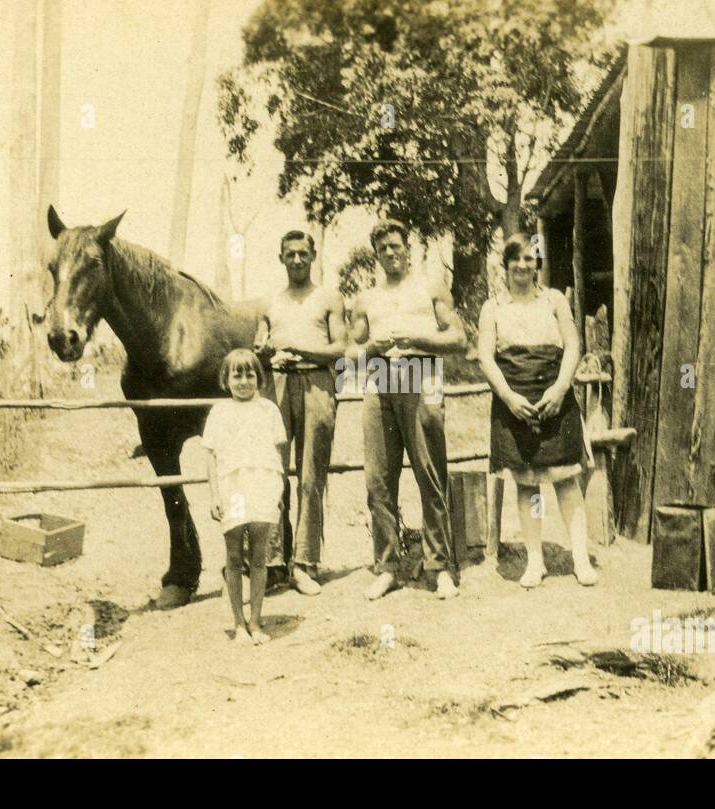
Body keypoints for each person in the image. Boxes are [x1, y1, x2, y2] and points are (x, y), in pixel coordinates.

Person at [346, 220, 467, 601]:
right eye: (383, 249)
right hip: (380, 379)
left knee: (429, 475)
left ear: (407, 248)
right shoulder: (366, 298)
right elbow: (349, 354)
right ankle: (387, 567)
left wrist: (418, 338)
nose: (391, 253)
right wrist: (372, 349)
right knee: (378, 481)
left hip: (423, 373)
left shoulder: (430, 286)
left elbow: (459, 338)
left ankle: (440, 566)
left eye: (396, 246)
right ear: (376, 254)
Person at [476, 233, 598, 589]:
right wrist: (509, 398)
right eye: (516, 258)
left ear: (537, 264)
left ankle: (580, 560)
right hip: (515, 399)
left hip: (554, 396)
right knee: (527, 483)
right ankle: (535, 562)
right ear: (506, 264)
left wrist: (560, 389)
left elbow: (573, 344)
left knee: (565, 479)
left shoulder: (554, 300)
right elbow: (486, 356)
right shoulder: (493, 307)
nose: (522, 266)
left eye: (529, 259)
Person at [253, 230, 347, 596]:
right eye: (289, 254)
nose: (296, 260)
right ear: (281, 258)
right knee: (273, 473)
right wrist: (263, 351)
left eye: (302, 254)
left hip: (317, 385)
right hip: (276, 385)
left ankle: (305, 564)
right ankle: (275, 563)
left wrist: (299, 348)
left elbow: (340, 348)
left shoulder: (328, 297)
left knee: (311, 474)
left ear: (313, 255)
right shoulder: (269, 301)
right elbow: (259, 345)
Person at [202, 348, 288, 644]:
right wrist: (215, 494)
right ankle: (238, 623)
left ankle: (256, 622)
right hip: (233, 488)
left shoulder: (268, 410)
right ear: (225, 380)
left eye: (249, 374)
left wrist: (278, 488)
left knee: (260, 557)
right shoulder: (219, 412)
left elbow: (277, 453)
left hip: (262, 484)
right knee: (235, 556)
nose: (243, 381)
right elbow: (211, 458)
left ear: (259, 378)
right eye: (236, 375)